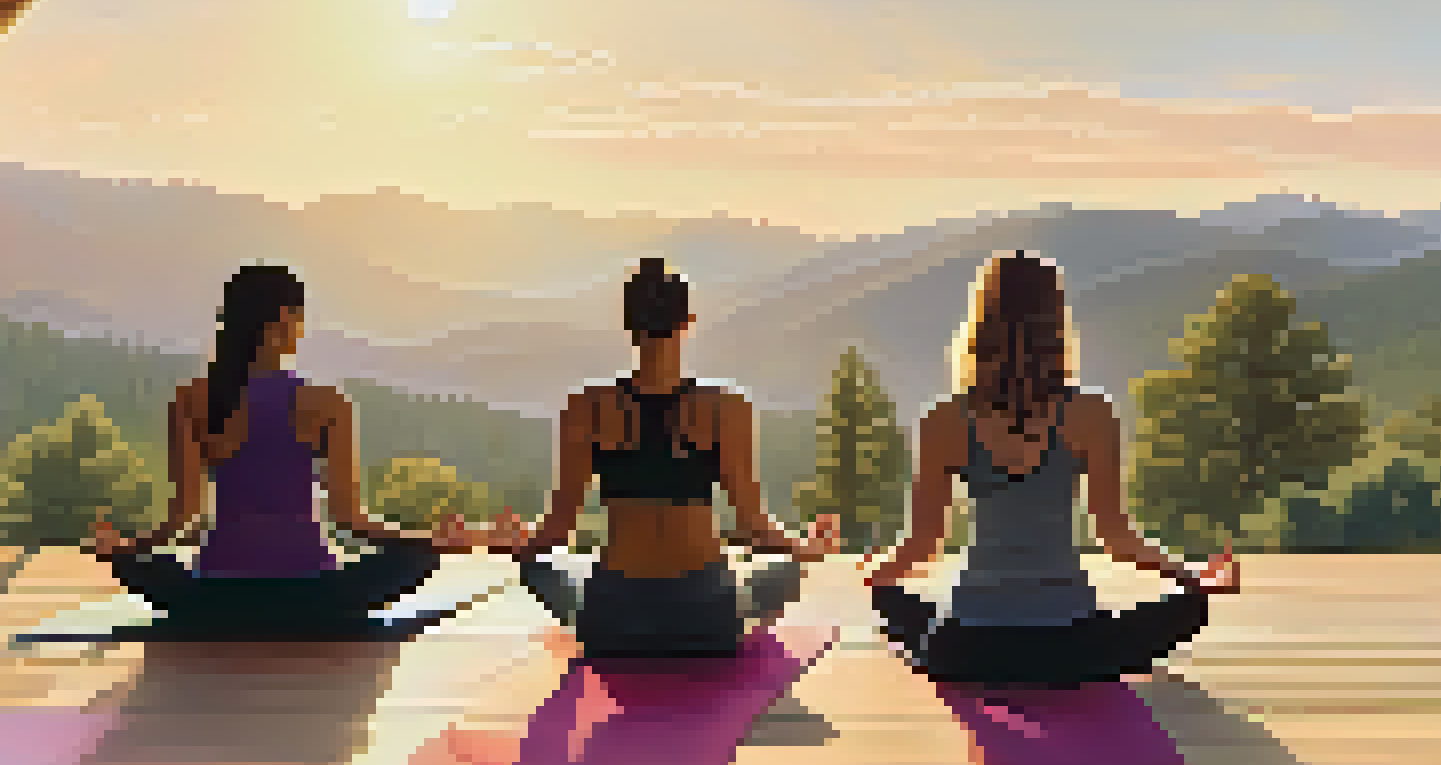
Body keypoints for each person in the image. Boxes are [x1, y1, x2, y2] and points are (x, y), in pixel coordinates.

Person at [863, 250, 1239, 688]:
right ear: (1056, 323)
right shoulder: (1092, 413)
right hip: (1074, 647)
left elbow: (924, 546)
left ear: (980, 322)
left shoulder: (943, 419)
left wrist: (877, 574)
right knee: (1190, 605)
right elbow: (1115, 538)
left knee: (890, 598)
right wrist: (1194, 576)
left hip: (966, 650)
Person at [87, 263, 514, 634]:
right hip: (317, 600)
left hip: (214, 597)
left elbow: (180, 519)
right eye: (300, 319)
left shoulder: (193, 400)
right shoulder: (326, 403)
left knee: (149, 571)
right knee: (408, 562)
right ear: (285, 320)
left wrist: (123, 548)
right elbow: (352, 521)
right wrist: (431, 541)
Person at [494, 257, 839, 657]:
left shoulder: (587, 407)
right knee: (785, 571)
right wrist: (804, 548)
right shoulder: (724, 408)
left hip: (614, 620)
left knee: (539, 569)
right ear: (687, 320)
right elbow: (755, 525)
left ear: (628, 323)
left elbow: (558, 529)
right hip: (708, 618)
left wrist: (516, 544)